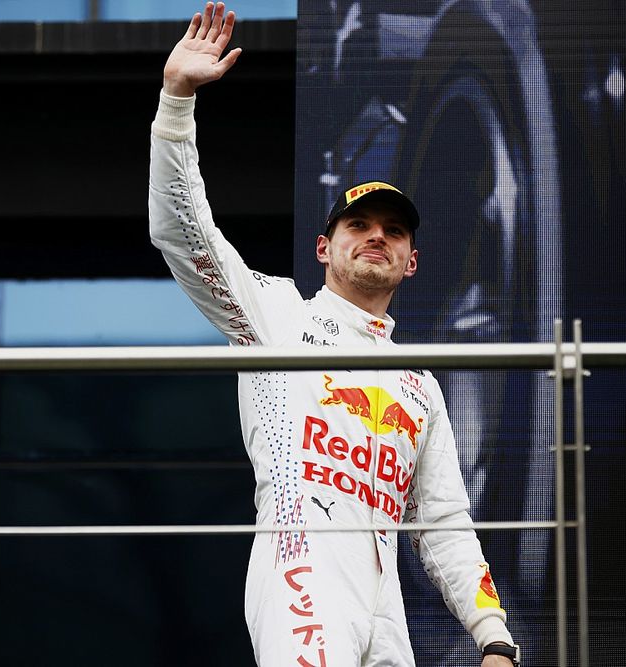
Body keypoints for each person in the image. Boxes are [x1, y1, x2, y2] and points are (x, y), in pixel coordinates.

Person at [148, 3, 521, 665]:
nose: (377, 234)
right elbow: (185, 233)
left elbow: (444, 526)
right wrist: (177, 100)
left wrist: (494, 637)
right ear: (324, 248)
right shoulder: (274, 313)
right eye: (359, 225)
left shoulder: (420, 386)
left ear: (412, 261)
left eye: (395, 230)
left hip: (386, 607)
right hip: (302, 564)